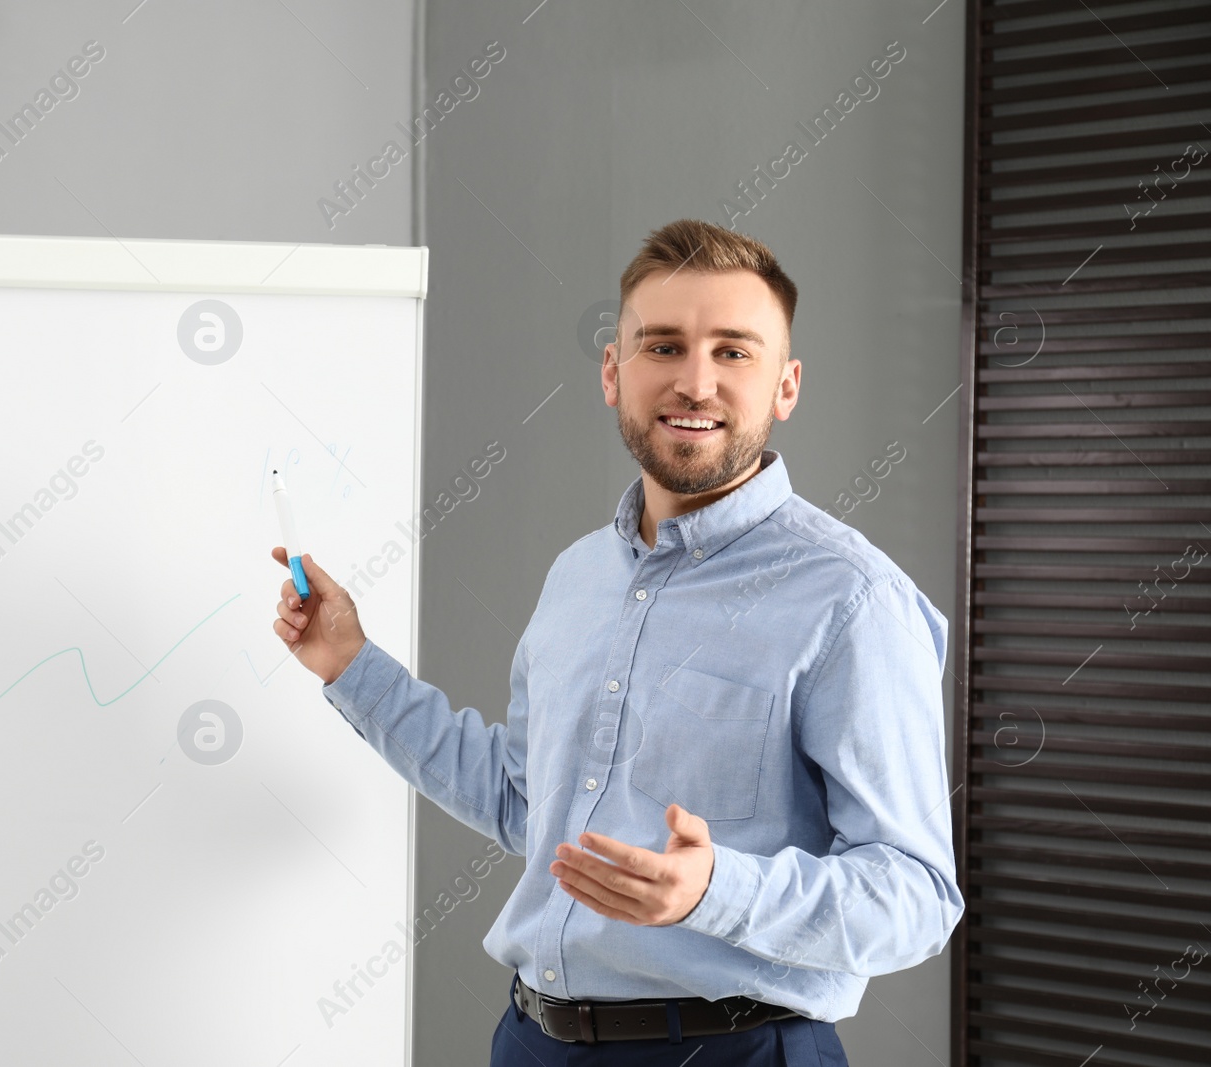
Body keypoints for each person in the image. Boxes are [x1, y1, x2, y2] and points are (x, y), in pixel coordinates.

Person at [268, 219, 962, 1066]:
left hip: (732, 1050)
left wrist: (715, 889)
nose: (695, 381)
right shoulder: (578, 576)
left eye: (734, 352)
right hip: (533, 1042)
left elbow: (918, 896)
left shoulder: (853, 599)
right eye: (663, 346)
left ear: (786, 385)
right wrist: (351, 663)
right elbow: (528, 805)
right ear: (613, 372)